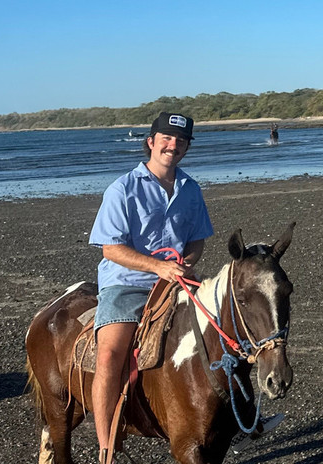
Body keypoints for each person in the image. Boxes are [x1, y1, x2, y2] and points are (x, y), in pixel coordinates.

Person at [89, 112, 213, 464]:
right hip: (127, 283)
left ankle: (244, 414)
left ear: (187, 147)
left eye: (181, 141)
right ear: (151, 141)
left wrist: (186, 261)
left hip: (177, 280)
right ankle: (106, 449)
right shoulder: (122, 189)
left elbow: (198, 241)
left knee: (229, 328)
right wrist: (158, 266)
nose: (172, 146)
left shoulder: (191, 189)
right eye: (167, 139)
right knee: (110, 354)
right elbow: (110, 248)